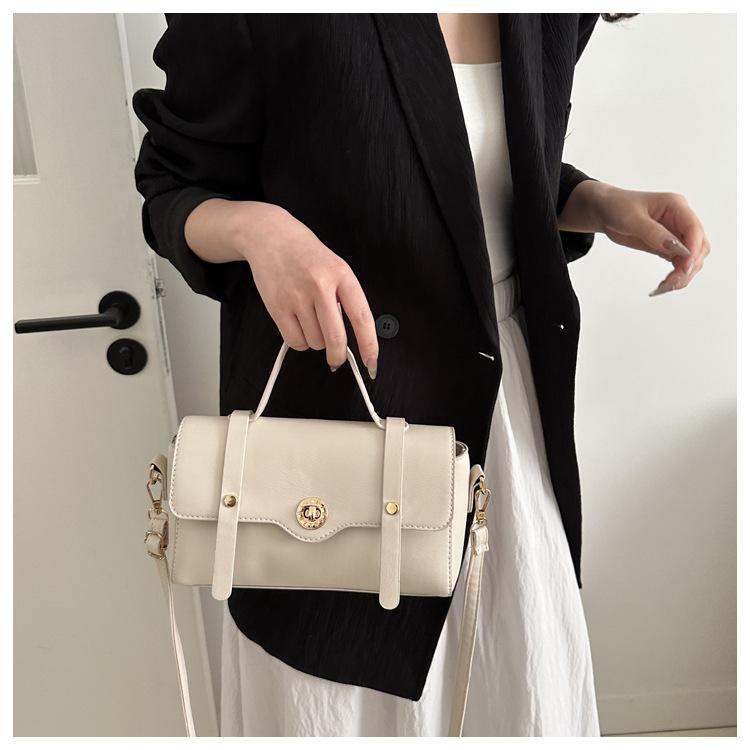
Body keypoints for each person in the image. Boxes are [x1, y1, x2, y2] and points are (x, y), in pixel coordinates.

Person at [132, 13, 709, 737]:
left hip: (500, 410)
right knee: (338, 697)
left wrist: (597, 203)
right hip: (336, 420)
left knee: (516, 679)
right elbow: (172, 186)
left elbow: (462, 164)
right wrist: (260, 230)